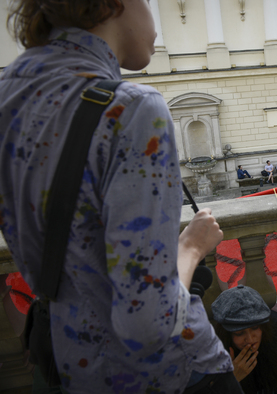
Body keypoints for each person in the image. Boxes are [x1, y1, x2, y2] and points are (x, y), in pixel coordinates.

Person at [0, 1, 241, 393]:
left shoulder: (11, 94)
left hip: (74, 364)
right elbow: (147, 324)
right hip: (167, 375)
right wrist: (192, 248)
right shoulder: (131, 109)